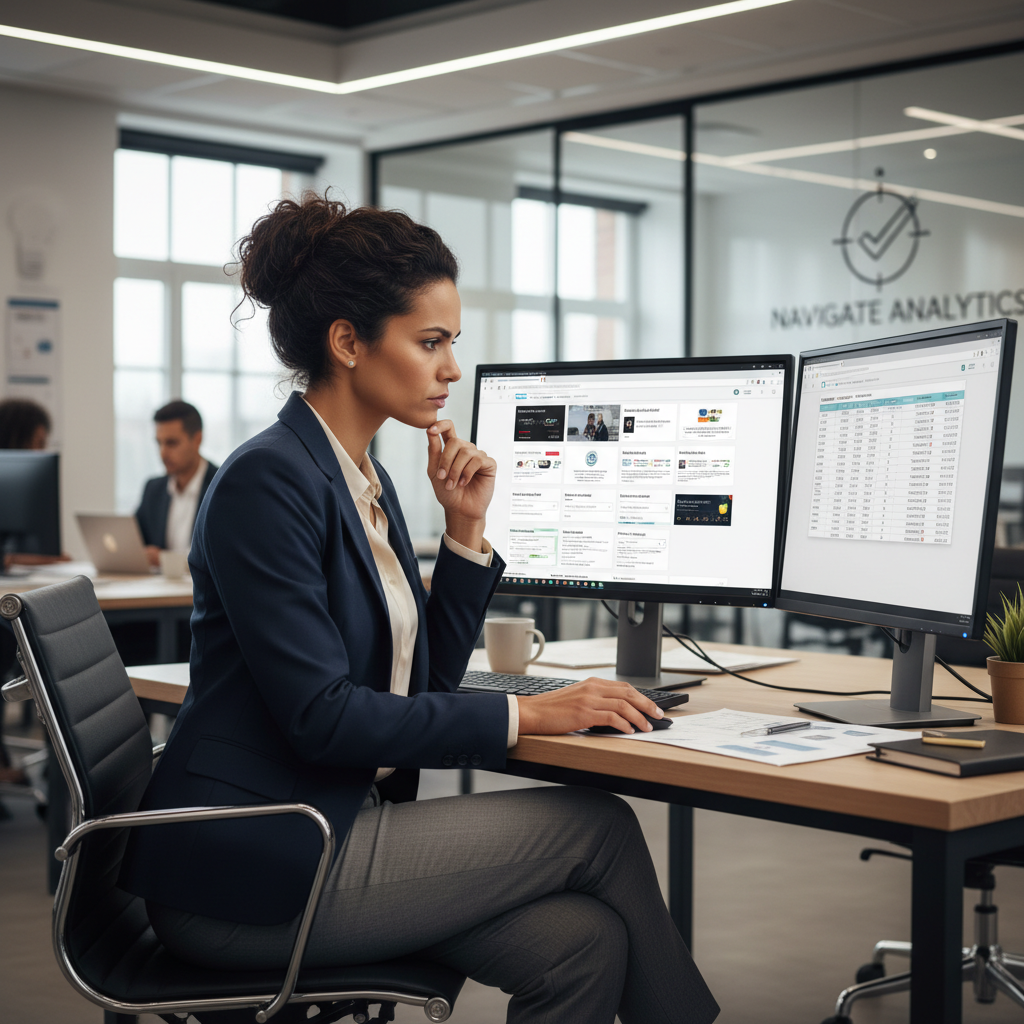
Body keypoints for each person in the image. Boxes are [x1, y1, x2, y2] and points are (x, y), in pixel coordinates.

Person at [119, 194, 718, 1024]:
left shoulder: (363, 479)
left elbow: (422, 683)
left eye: (452, 345)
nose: (450, 370)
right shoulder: (267, 482)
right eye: (430, 342)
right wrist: (531, 720)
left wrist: (465, 533)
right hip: (255, 868)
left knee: (583, 943)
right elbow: (323, 721)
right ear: (348, 341)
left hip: (333, 827)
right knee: (599, 826)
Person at [135, 401, 218, 568]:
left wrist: (164, 559)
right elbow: (134, 544)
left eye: (171, 443)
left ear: (197, 439)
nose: (163, 453)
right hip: (159, 590)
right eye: (159, 443)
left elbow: (221, 557)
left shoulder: (221, 487)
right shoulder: (154, 489)